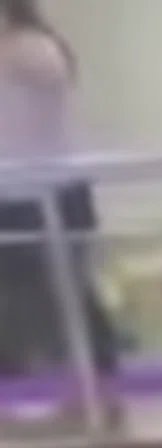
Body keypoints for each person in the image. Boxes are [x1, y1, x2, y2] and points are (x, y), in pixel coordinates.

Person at [0, 1, 117, 381]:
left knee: (66, 298)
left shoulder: (34, 49)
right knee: (20, 304)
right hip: (14, 196)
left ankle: (95, 390)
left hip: (53, 194)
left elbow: (39, 117)